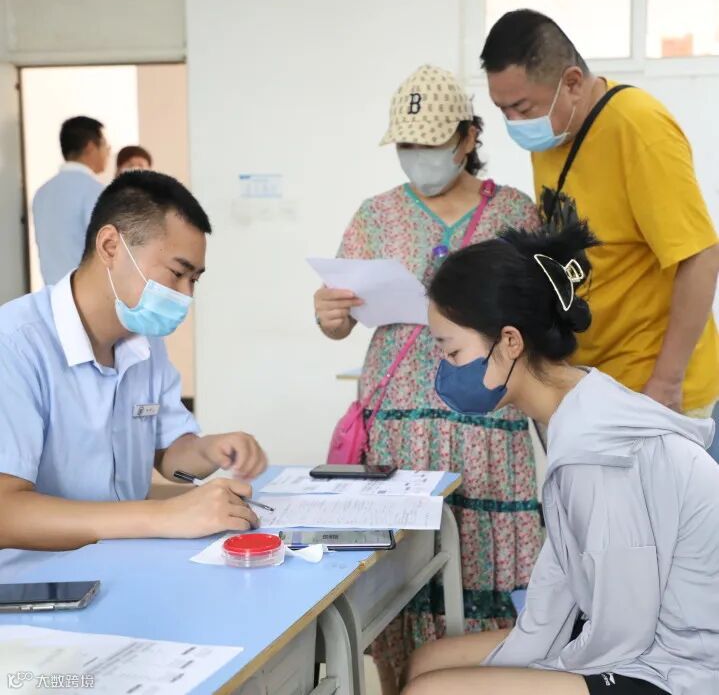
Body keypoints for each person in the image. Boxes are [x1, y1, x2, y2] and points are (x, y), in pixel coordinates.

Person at [402, 218, 719, 695]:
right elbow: (577, 581)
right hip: (640, 627)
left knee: (430, 690)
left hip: (682, 664)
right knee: (426, 660)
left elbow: (624, 629)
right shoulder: (580, 400)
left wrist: (546, 667)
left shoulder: (595, 452)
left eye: (452, 352)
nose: (445, 371)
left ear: (510, 341)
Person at [313, 64, 543, 692]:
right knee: (402, 585)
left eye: (432, 142)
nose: (418, 157)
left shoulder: (514, 213)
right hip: (400, 431)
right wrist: (330, 315)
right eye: (407, 144)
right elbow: (341, 319)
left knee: (489, 576)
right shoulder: (376, 216)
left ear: (468, 137)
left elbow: (540, 316)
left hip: (488, 430)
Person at [480, 10, 719, 459]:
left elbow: (700, 256)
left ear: (572, 82)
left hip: (653, 393)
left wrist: (666, 384)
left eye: (523, 109)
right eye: (502, 110)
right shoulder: (553, 136)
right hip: (591, 387)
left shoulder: (639, 129)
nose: (514, 122)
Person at [0, 170, 267, 551]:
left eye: (194, 280)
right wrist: (162, 515)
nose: (185, 295)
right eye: (177, 273)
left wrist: (209, 450)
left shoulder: (144, 340)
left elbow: (167, 454)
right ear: (110, 246)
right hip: (41, 574)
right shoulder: (15, 344)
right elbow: (6, 511)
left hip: (123, 558)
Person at [33, 116, 110, 286]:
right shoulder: (95, 191)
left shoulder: (42, 193)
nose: (108, 152)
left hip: (52, 294)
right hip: (86, 294)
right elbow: (105, 250)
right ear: (90, 146)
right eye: (106, 146)